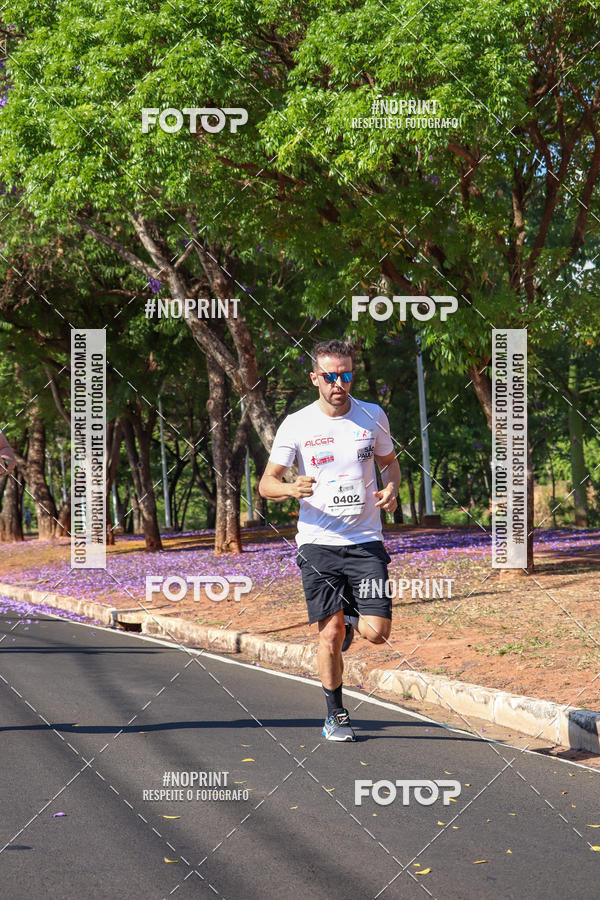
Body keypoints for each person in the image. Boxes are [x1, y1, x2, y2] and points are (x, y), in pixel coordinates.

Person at [259, 339, 400, 742]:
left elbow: (390, 465)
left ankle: (353, 619)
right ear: (314, 378)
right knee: (330, 633)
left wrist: (392, 489)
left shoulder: (372, 415)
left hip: (365, 540)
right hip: (317, 543)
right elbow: (266, 483)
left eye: (346, 375)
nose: (339, 383)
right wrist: (291, 488)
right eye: (330, 376)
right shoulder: (297, 424)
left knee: (377, 632)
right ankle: (335, 715)